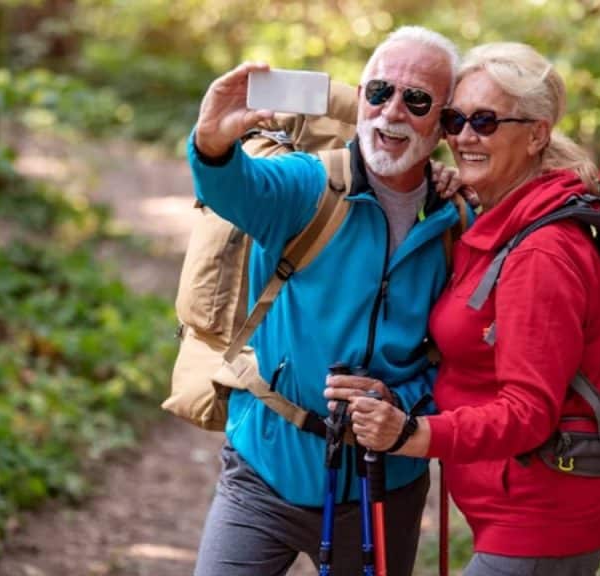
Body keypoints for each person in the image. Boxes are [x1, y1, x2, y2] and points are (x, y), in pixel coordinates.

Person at [188, 27, 467, 575]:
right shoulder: (308, 187)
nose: (392, 113)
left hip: (383, 484)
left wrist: (399, 402)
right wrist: (211, 143)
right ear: (359, 96)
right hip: (265, 467)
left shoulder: (457, 223)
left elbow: (466, 359)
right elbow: (232, 187)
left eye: (416, 101)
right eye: (379, 91)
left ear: (443, 121)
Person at [348, 42, 600, 576]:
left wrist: (411, 435)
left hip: (542, 523)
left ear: (537, 133)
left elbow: (528, 412)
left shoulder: (540, 253)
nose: (463, 136)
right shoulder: (497, 224)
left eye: (486, 121)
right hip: (515, 518)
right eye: (455, 119)